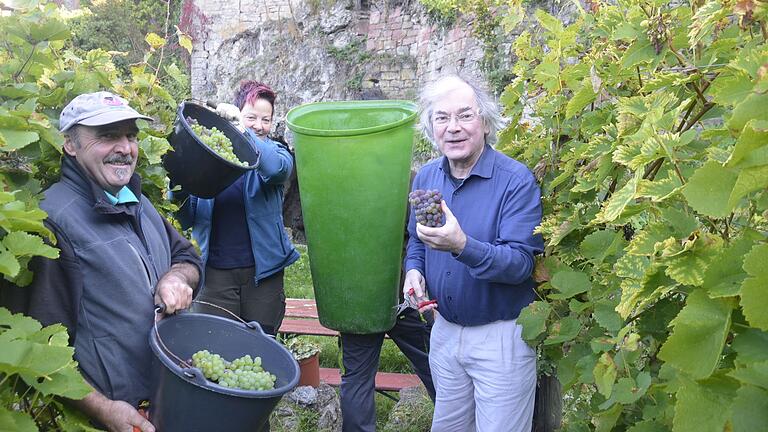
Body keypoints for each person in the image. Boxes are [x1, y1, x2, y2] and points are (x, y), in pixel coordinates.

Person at [2, 91, 202, 432]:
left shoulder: (137, 202)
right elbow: (36, 349)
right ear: (70, 145)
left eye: (131, 136)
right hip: (117, 416)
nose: (125, 147)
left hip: (167, 397)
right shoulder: (51, 223)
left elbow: (186, 256)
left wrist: (177, 279)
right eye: (108, 136)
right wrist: (104, 409)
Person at [403, 74, 544, 431]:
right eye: (442, 118)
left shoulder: (515, 181)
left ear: (484, 121)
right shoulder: (427, 178)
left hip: (501, 338)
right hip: (445, 332)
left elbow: (520, 265)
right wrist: (414, 271)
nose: (453, 128)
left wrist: (462, 246)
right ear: (430, 126)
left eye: (465, 115)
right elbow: (417, 240)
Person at [175, 80, 298, 335]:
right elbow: (186, 218)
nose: (259, 126)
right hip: (215, 276)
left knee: (263, 347)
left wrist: (244, 131)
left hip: (263, 276)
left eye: (266, 120)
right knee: (216, 345)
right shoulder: (210, 157)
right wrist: (179, 179)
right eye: (251, 117)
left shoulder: (275, 153)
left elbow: (276, 169)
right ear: (238, 114)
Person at [339, 172, 435, 432]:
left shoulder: (337, 184)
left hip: (359, 298)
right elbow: (424, 237)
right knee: (437, 365)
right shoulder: (413, 179)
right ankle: (461, 422)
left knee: (357, 378)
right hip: (406, 293)